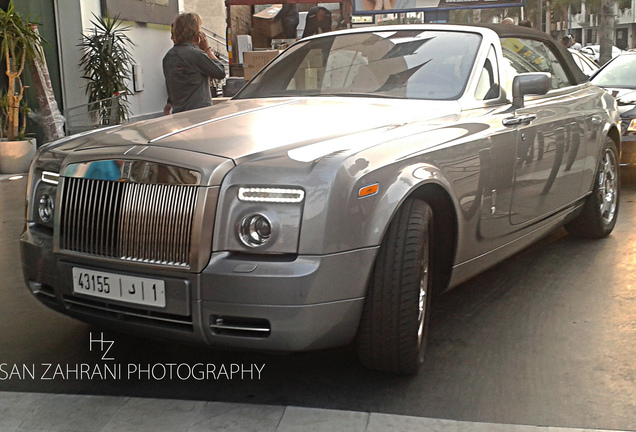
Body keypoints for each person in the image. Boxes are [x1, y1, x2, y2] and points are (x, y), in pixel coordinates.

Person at [162, 13, 225, 114]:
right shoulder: (195, 55)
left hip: (179, 112)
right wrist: (207, 50)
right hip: (199, 113)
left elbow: (172, 84)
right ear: (196, 32)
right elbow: (220, 72)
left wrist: (170, 101)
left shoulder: (168, 56)